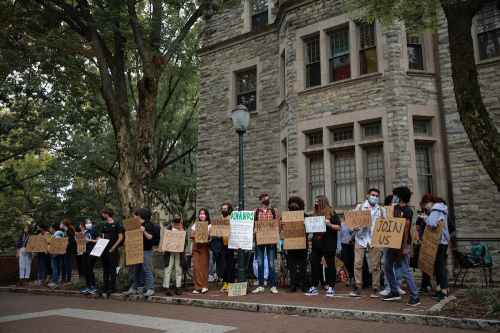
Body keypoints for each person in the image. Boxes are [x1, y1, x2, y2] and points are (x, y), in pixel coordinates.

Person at [383, 186, 420, 306]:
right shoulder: (395, 208)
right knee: (387, 266)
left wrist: (404, 247)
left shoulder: (408, 211)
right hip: (392, 243)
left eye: (396, 195)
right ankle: (394, 291)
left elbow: (406, 229)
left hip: (402, 244)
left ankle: (415, 296)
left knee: (405, 269)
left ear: (401, 197)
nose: (394, 197)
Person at [349, 188, 385, 298]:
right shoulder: (359, 207)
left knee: (375, 265)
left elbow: (385, 226)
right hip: (361, 238)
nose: (374, 197)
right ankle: (358, 286)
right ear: (368, 195)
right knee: (357, 264)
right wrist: (354, 228)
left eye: (377, 195)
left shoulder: (382, 210)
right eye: (373, 195)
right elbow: (351, 224)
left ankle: (375, 288)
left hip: (375, 239)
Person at [305, 195, 341, 297]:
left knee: (330, 265)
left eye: (318, 202)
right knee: (314, 263)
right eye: (315, 202)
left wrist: (329, 224)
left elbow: (339, 227)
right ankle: (314, 286)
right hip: (317, 243)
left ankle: (331, 286)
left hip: (329, 243)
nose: (316, 203)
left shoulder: (332, 213)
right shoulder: (315, 214)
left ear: (323, 202)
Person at [423, 195, 450, 301]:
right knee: (440, 266)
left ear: (430, 202)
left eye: (426, 204)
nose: (426, 207)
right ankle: (440, 289)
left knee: (439, 267)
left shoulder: (435, 210)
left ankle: (443, 290)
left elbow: (432, 223)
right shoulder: (442, 209)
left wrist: (426, 218)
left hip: (438, 241)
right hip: (443, 241)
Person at [252, 193, 279, 294]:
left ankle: (273, 285)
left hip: (271, 240)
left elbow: (277, 224)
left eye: (268, 197)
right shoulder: (255, 211)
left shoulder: (273, 211)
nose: (267, 199)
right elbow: (252, 224)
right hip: (259, 240)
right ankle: (260, 285)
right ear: (261, 200)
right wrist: (254, 230)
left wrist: (277, 234)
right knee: (260, 263)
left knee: (271, 263)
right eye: (265, 198)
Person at [98, 207, 124, 297]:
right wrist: (99, 240)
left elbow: (120, 238)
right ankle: (105, 287)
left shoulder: (117, 224)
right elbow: (101, 236)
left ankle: (112, 288)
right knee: (105, 269)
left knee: (112, 270)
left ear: (107, 213)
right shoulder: (104, 225)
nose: (102, 215)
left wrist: (113, 248)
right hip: (103, 250)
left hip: (113, 250)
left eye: (103, 213)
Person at [285, 196, 308, 293]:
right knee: (292, 266)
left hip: (302, 244)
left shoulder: (305, 216)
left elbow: (309, 229)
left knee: (303, 266)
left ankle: (303, 285)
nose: (293, 208)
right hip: (291, 245)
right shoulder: (286, 217)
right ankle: (293, 285)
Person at [163, 214, 185, 296]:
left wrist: (181, 230)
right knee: (168, 268)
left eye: (178, 220)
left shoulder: (182, 229)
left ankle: (178, 287)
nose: (177, 222)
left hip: (179, 252)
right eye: (175, 220)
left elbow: (185, 242)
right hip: (169, 252)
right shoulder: (168, 228)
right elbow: (164, 239)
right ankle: (166, 287)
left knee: (178, 269)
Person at [190, 208, 211, 294]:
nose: (202, 215)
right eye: (200, 214)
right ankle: (197, 287)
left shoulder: (209, 225)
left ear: (206, 216)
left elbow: (210, 237)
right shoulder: (195, 224)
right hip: (196, 247)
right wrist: (196, 234)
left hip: (204, 247)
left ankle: (204, 286)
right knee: (196, 267)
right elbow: (191, 234)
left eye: (203, 214)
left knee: (203, 267)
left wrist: (207, 235)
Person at [219, 202, 235, 293]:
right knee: (223, 265)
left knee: (230, 265)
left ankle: (230, 283)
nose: (224, 210)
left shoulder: (232, 219)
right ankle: (225, 283)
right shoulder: (220, 220)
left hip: (230, 244)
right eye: (223, 208)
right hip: (222, 245)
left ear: (229, 210)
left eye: (226, 208)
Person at [80, 219, 98, 295]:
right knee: (86, 269)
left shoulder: (94, 231)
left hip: (92, 252)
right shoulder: (85, 232)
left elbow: (98, 240)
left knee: (90, 269)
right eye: (87, 223)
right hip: (84, 252)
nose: (88, 224)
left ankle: (93, 287)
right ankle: (88, 286)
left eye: (89, 222)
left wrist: (89, 240)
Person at [48, 223, 65, 289]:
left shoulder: (57, 233)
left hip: (55, 253)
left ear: (53, 228)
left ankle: (55, 282)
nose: (50, 229)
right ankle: (56, 281)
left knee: (54, 267)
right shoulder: (60, 233)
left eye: (50, 227)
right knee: (57, 267)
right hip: (58, 253)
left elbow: (57, 242)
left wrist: (54, 252)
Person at [61, 218, 77, 284]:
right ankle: (64, 279)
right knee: (64, 264)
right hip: (65, 250)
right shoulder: (66, 231)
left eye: (61, 223)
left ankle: (68, 279)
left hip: (69, 250)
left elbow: (70, 241)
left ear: (64, 224)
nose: (60, 224)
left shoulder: (69, 230)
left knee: (67, 264)